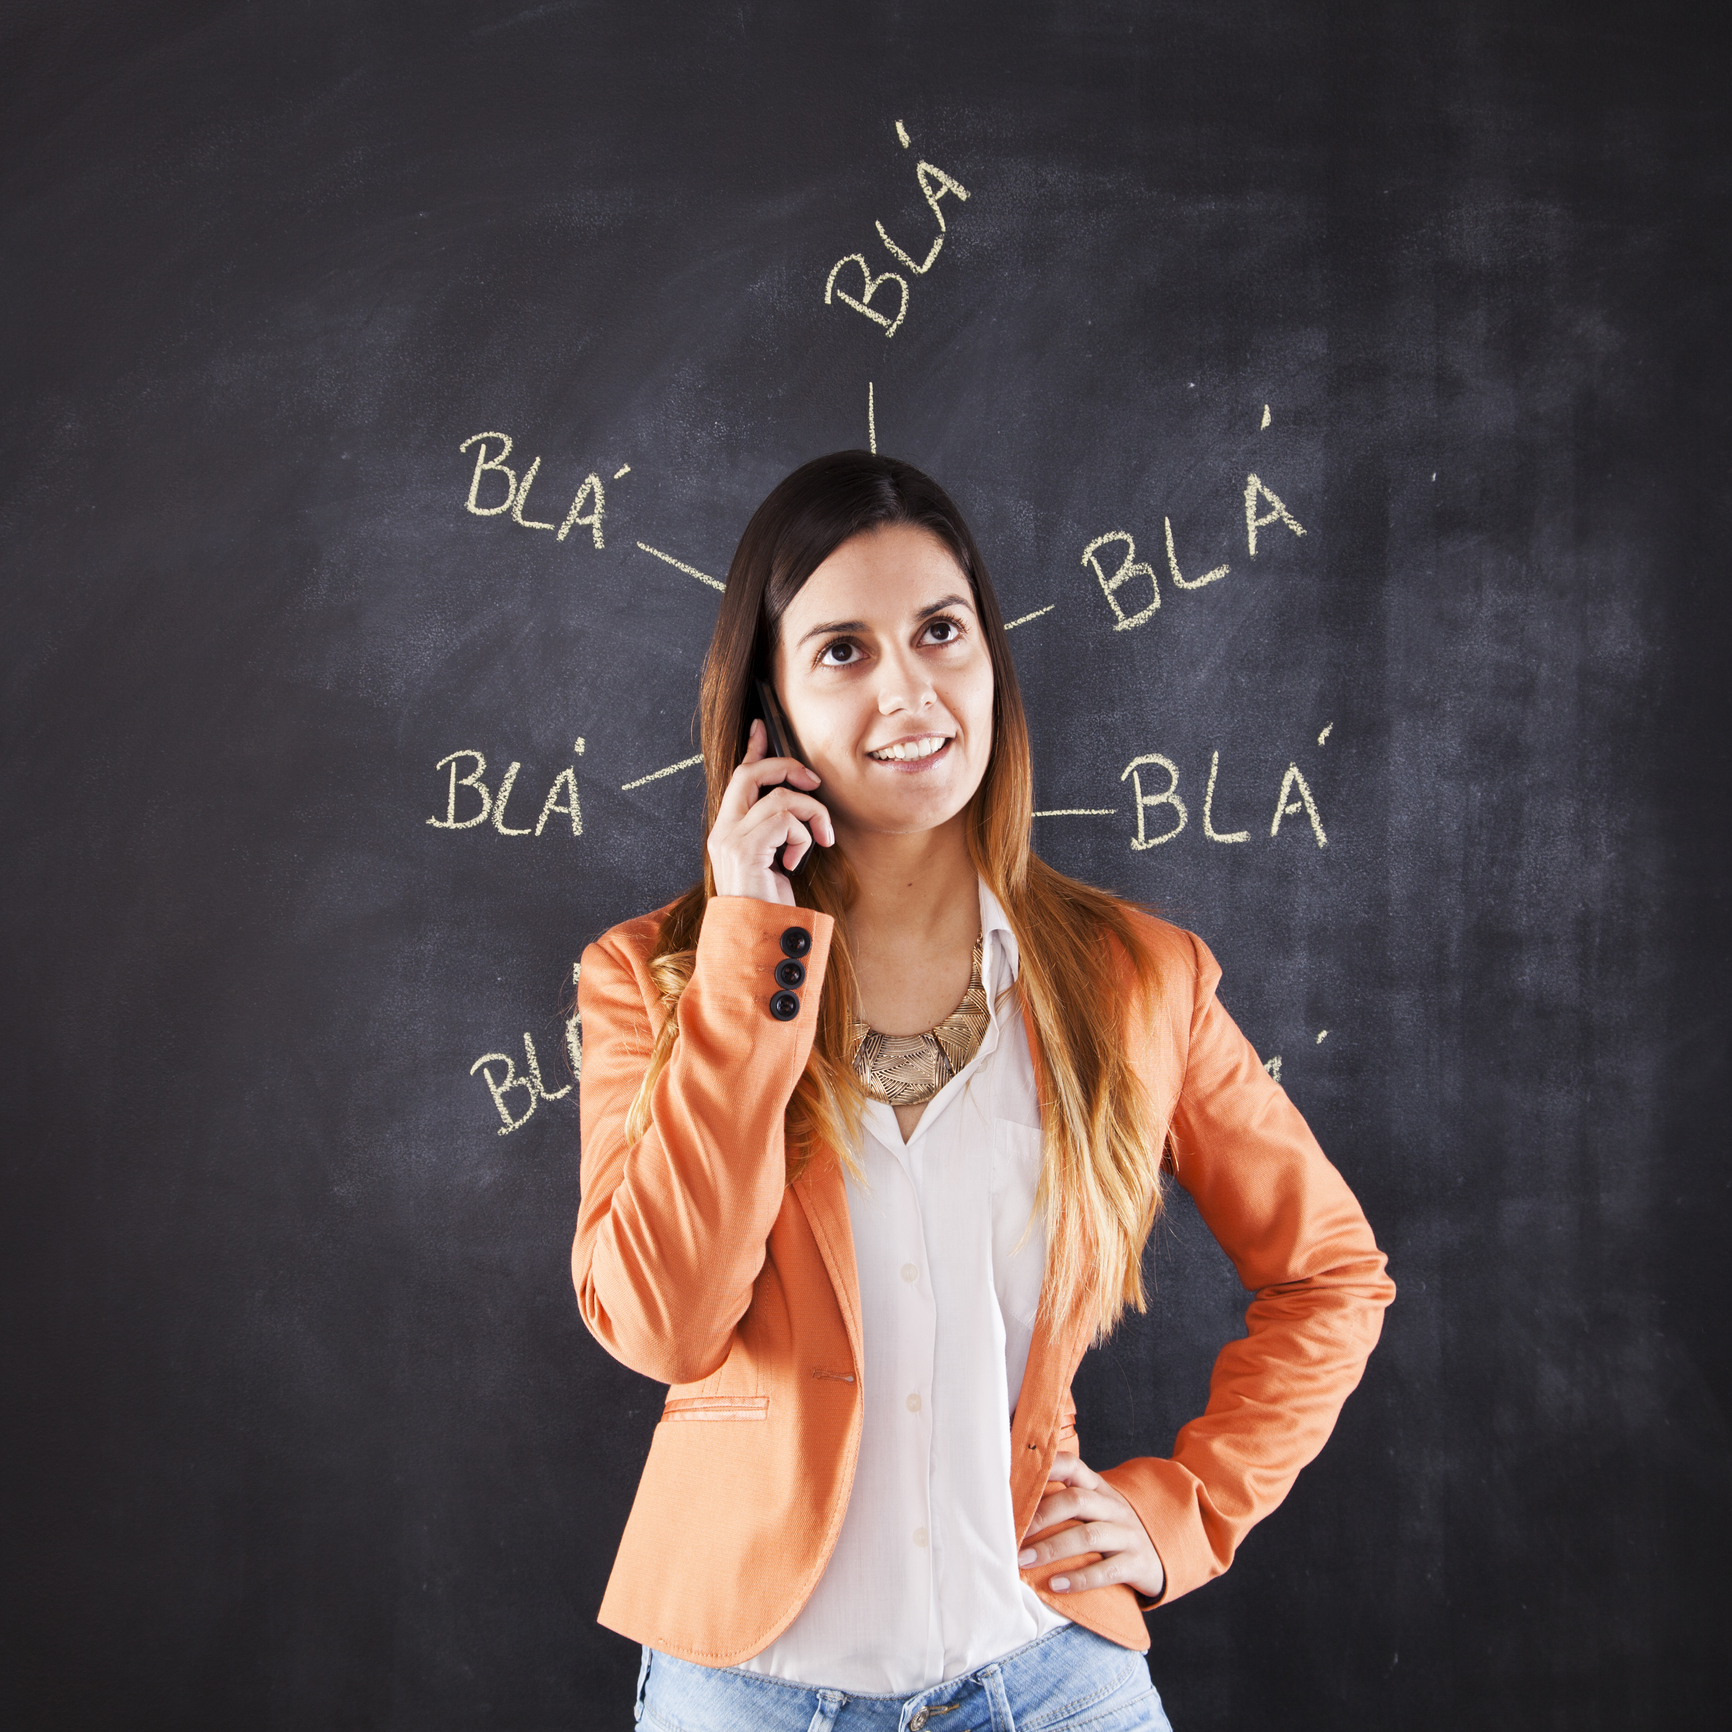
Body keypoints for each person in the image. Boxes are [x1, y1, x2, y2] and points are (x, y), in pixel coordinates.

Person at [571, 451, 1394, 1731]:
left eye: (940, 632)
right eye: (842, 650)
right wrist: (746, 956)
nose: (909, 689)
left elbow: (1330, 1274)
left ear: (991, 659)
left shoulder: (1136, 978)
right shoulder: (653, 976)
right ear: (769, 710)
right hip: (740, 1690)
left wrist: (1189, 1506)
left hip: (1049, 1672)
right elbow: (662, 1326)